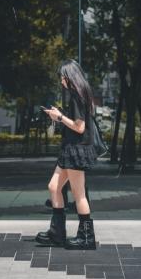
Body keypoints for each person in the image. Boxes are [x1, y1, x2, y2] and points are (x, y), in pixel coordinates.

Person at [35, 59, 98, 249]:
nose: (61, 80)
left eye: (62, 76)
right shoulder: (77, 94)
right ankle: (57, 233)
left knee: (79, 195)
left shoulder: (77, 95)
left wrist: (59, 117)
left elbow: (79, 127)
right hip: (70, 148)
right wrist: (59, 114)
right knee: (54, 187)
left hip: (76, 150)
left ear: (69, 76)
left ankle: (86, 238)